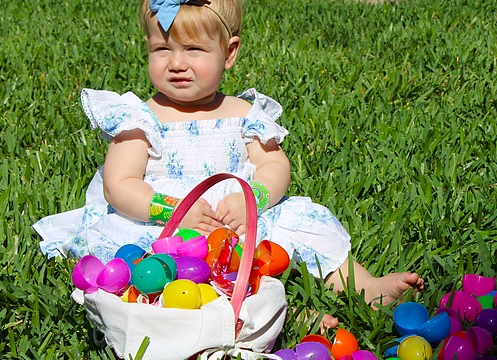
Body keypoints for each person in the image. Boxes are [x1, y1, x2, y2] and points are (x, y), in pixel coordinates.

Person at [33, 0, 423, 328]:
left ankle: (364, 285)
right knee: (150, 267)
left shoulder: (244, 113)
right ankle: (278, 317)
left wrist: (252, 197)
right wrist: (173, 211)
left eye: (195, 50)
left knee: (306, 223)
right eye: (162, 49)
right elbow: (119, 184)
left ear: (230, 52)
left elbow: (274, 166)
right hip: (166, 225)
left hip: (240, 218)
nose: (177, 63)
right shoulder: (139, 117)